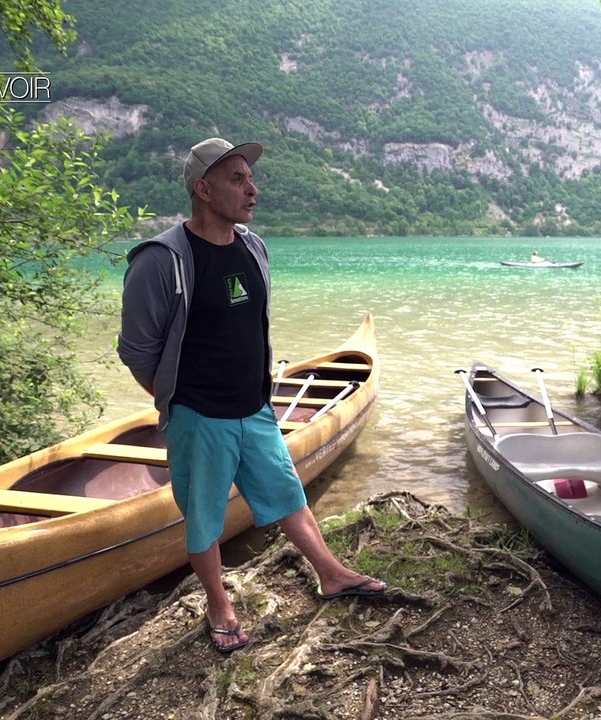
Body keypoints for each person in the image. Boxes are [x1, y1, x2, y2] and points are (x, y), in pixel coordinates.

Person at [117, 137, 386, 653]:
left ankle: (331, 574)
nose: (252, 189)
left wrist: (257, 390)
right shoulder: (161, 260)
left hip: (256, 409)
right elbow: (136, 350)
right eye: (237, 179)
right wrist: (178, 400)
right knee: (204, 520)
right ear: (203, 189)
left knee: (287, 494)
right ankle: (219, 607)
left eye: (251, 178)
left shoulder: (252, 246)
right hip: (199, 417)